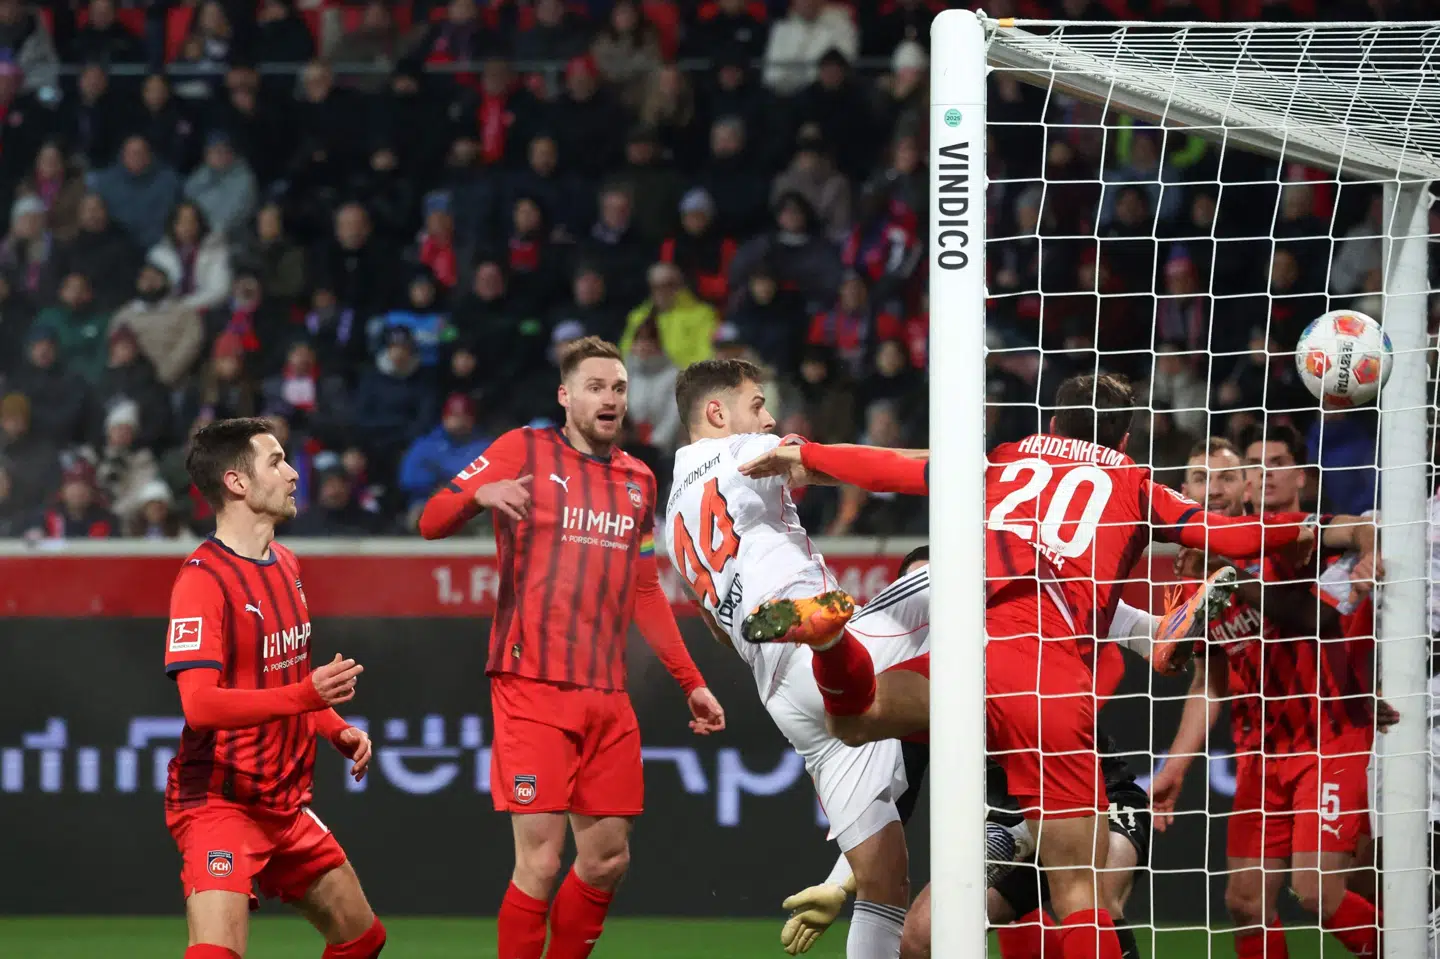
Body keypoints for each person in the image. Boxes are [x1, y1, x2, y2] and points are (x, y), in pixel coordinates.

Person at [742, 372, 1316, 959]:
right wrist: (1302, 532)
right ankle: (1159, 631)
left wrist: (808, 455)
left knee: (855, 718)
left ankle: (831, 642)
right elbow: (1235, 539)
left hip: (972, 654)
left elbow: (897, 470)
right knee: (1078, 894)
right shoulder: (1136, 482)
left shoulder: (1006, 460)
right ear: (1124, 440)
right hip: (1049, 675)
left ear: (1052, 424)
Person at [417, 336, 726, 959]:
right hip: (530, 687)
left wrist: (690, 680)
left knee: (607, 860)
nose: (609, 398)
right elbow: (430, 519)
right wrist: (479, 495)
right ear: (565, 396)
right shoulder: (521, 450)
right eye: (594, 387)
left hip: (607, 697)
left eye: (617, 388)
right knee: (540, 860)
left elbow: (645, 589)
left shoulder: (639, 481)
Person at [666, 357, 930, 959]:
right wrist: (968, 471)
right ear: (717, 413)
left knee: (883, 886)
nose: (769, 416)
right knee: (969, 572)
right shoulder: (743, 452)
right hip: (824, 649)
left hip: (786, 702)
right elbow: (865, 469)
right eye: (757, 403)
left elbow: (713, 627)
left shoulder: (671, 519)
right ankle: (1145, 626)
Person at [1152, 432, 1385, 959]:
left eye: (1227, 476)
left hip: (1327, 738)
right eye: (1198, 477)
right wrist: (1175, 766)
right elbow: (1208, 683)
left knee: (1318, 892)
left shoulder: (1277, 534)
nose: (1212, 488)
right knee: (1244, 902)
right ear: (1182, 489)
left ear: (1247, 486)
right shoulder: (1189, 579)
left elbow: (1356, 528)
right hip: (1258, 754)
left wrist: (1369, 547)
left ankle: (1416, 945)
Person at [163, 417, 384, 959]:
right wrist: (309, 698)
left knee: (361, 939)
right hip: (220, 801)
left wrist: (333, 728)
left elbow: (287, 682)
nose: (291, 474)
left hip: (284, 804)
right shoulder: (202, 581)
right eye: (276, 461)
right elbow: (200, 704)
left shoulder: (287, 563)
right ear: (237, 483)